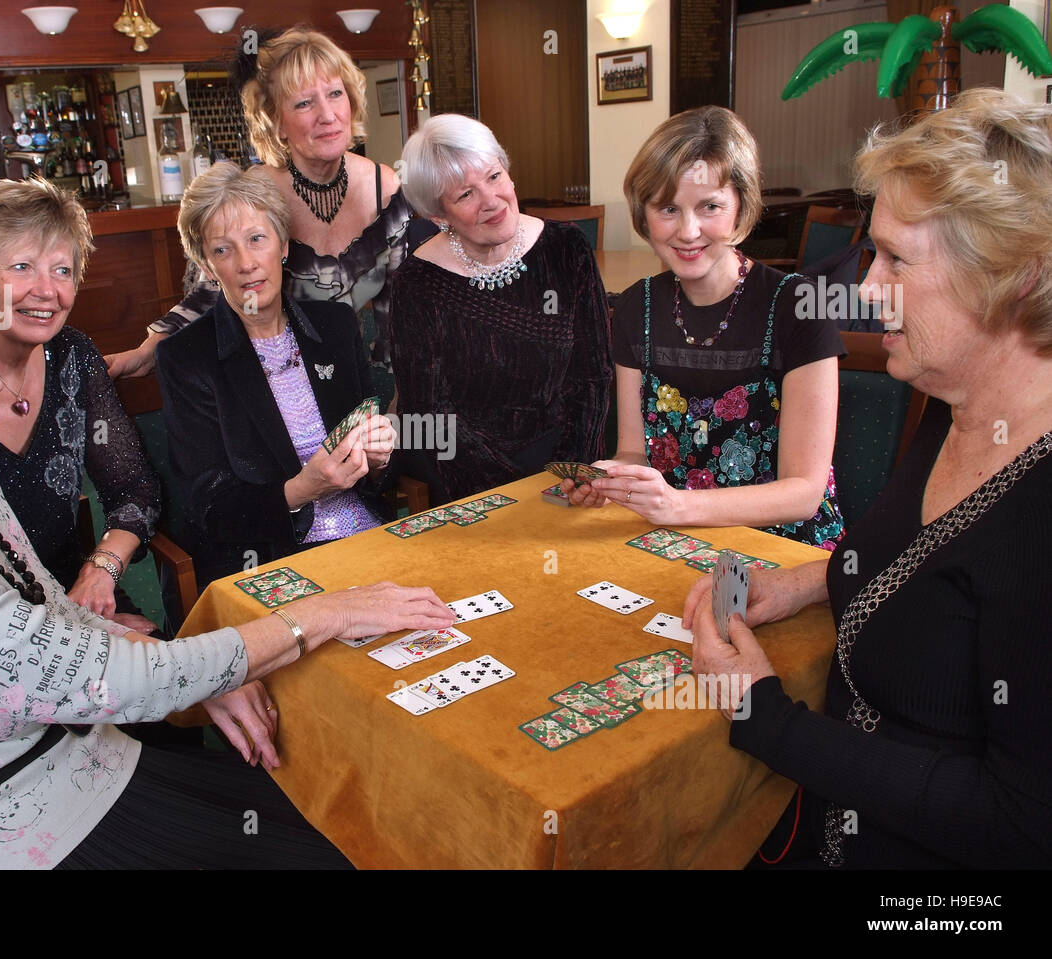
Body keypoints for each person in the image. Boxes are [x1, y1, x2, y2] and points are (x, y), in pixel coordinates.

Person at [0, 236, 454, 869]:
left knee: (333, 807)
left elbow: (42, 611)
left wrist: (191, 669)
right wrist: (323, 614)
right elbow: (111, 681)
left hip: (69, 754)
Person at [684, 88, 1052, 868]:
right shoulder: (957, 396)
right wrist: (808, 582)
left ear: (1013, 276)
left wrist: (763, 713)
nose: (866, 287)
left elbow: (1021, 827)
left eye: (895, 259)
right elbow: (930, 572)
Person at [105, 27, 429, 405]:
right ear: (275, 121)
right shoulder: (252, 196)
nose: (328, 115)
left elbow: (401, 319)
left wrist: (399, 412)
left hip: (345, 376)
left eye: (335, 94)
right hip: (263, 381)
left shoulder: (386, 189)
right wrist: (150, 349)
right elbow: (212, 291)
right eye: (304, 103)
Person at [571, 106, 845, 549]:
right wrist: (612, 478)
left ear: (741, 208)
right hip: (670, 536)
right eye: (668, 208)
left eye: (709, 206)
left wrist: (677, 506)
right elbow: (634, 452)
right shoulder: (635, 307)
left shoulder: (800, 306)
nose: (688, 230)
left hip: (784, 545)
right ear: (644, 215)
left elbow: (804, 494)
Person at [156, 162, 398, 589]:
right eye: (223, 249)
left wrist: (378, 460)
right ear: (207, 267)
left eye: (256, 239)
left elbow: (377, 469)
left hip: (368, 536)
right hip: (272, 561)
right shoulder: (186, 357)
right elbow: (211, 508)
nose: (247, 263)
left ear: (283, 246)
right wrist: (302, 490)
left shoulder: (337, 325)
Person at [0, 178, 159, 634]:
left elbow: (134, 489)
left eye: (62, 271)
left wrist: (101, 569)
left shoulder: (73, 354)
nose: (47, 291)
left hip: (77, 594)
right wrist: (75, 630)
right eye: (22, 266)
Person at [388, 113, 612, 503]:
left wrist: (571, 472)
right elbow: (426, 411)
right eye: (465, 194)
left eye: (494, 177)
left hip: (561, 460)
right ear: (440, 217)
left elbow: (593, 375)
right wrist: (511, 495)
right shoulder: (417, 283)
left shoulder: (567, 248)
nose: (491, 201)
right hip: (462, 473)